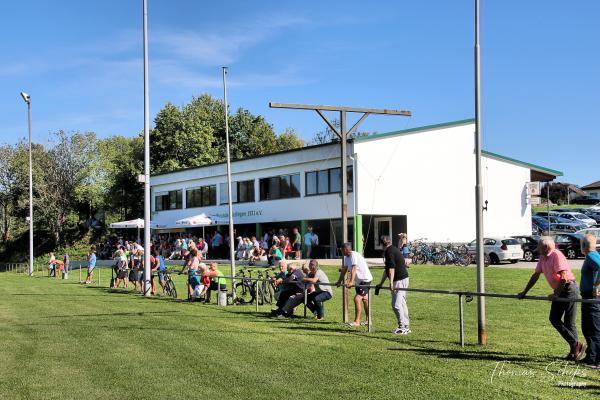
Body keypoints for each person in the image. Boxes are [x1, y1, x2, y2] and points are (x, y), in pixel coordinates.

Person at [517, 236, 585, 360]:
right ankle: (576, 345)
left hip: (569, 289)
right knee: (554, 318)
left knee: (570, 322)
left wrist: (556, 295)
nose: (536, 248)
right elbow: (535, 275)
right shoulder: (543, 257)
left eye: (538, 246)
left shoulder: (557, 255)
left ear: (546, 247)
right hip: (560, 290)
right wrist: (524, 292)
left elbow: (564, 278)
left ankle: (574, 352)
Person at [376, 237, 410, 334]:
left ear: (382, 245)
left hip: (399, 280)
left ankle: (402, 327)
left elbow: (391, 268)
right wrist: (381, 283)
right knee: (402, 303)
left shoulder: (389, 252)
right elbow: (387, 270)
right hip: (404, 278)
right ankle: (406, 326)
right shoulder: (393, 249)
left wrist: (391, 283)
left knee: (396, 305)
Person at [336, 243, 373, 327]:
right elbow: (344, 270)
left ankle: (357, 321)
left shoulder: (353, 255)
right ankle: (368, 320)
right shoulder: (347, 258)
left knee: (357, 299)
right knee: (365, 300)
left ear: (345, 250)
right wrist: (339, 281)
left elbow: (354, 269)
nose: (341, 251)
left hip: (365, 280)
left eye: (342, 250)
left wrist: (351, 282)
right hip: (359, 281)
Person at [578, 234, 600, 369]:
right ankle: (590, 357)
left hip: (591, 297)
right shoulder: (593, 255)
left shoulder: (591, 256)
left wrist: (596, 286)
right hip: (588, 297)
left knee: (593, 328)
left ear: (584, 246)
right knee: (588, 327)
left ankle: (595, 360)